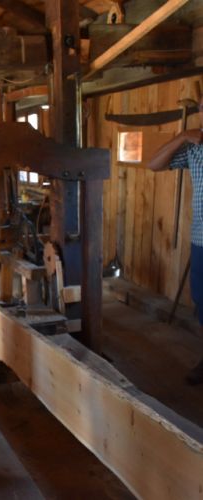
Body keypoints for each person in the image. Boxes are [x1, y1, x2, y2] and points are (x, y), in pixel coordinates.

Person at [148, 95, 203, 384]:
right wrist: (182, 136)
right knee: (202, 302)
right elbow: (154, 164)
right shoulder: (195, 149)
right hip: (201, 239)